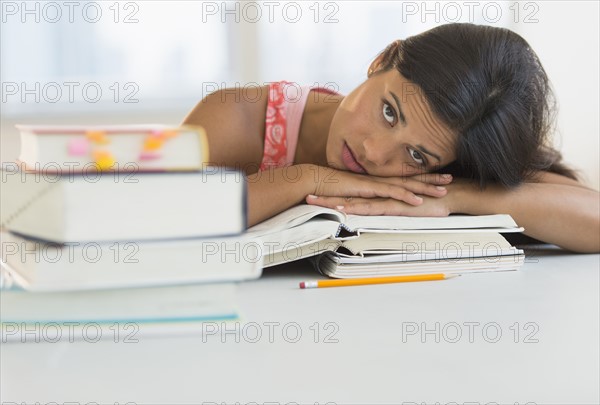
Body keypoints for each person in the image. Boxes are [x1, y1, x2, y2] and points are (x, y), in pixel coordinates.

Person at [182, 23, 599, 253]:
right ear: (381, 60)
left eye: (417, 154)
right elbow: (150, 218)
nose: (373, 152)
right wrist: (307, 179)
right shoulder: (242, 117)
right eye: (388, 112)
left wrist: (456, 198)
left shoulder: (442, 175)